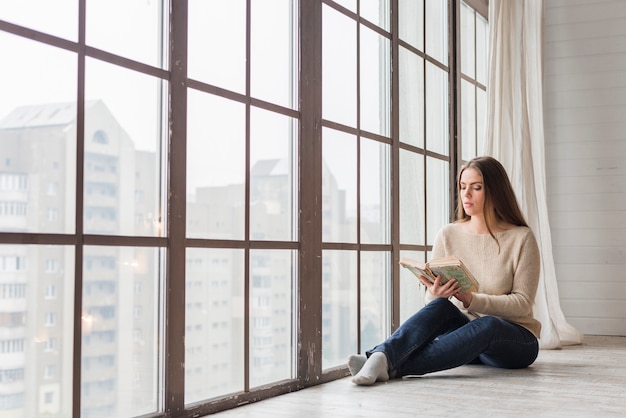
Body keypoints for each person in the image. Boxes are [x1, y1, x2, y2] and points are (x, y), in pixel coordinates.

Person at [349, 156, 541, 386]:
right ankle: (385, 356)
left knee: (488, 324)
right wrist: (435, 293)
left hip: (514, 341)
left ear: (495, 191)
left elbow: (523, 303)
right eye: (463, 187)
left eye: (476, 188)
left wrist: (472, 300)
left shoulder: (522, 238)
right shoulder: (448, 234)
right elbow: (432, 302)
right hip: (466, 339)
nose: (466, 195)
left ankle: (385, 360)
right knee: (441, 306)